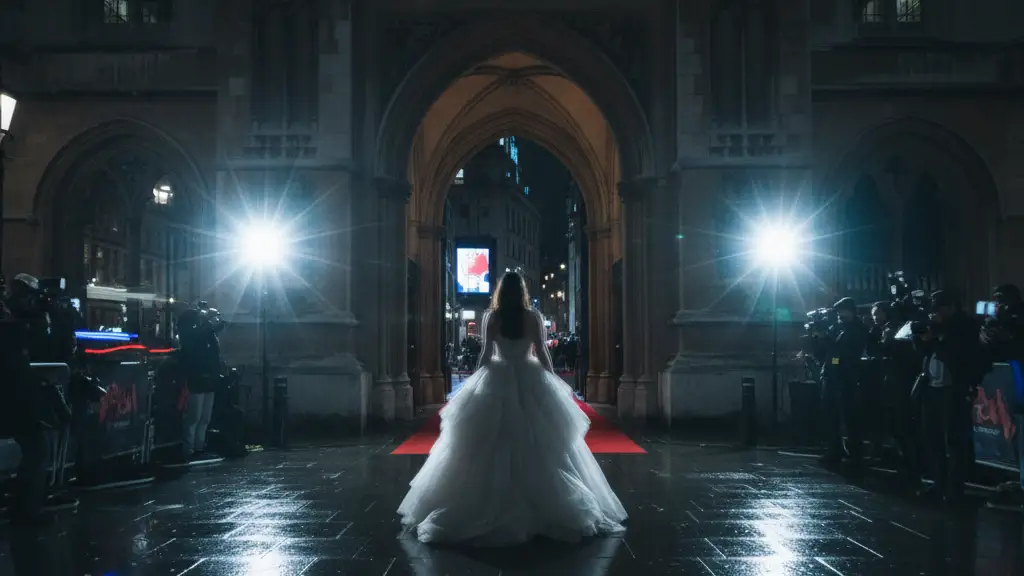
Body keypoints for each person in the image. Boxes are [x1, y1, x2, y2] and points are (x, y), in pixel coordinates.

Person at [397, 271, 626, 546]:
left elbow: (485, 354)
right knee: (541, 443)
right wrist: (552, 378)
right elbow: (542, 351)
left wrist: (476, 382)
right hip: (530, 377)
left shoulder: (492, 317)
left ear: (500, 292)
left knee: (489, 442)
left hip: (498, 376)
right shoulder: (532, 317)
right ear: (522, 293)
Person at [918, 290, 982, 504]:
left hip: (953, 388)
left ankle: (955, 488)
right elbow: (923, 351)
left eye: (939, 308)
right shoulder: (937, 328)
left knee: (954, 440)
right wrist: (925, 339)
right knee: (933, 437)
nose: (936, 313)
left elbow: (957, 355)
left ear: (951, 306)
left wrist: (938, 337)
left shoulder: (964, 325)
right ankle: (939, 482)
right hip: (932, 387)